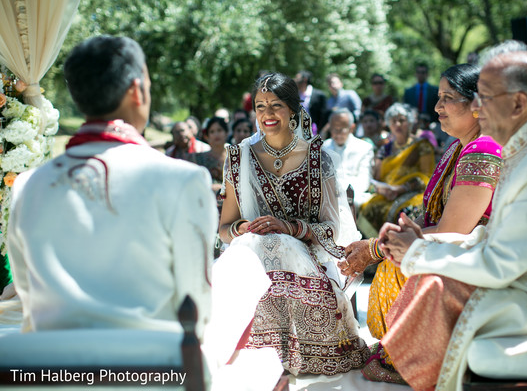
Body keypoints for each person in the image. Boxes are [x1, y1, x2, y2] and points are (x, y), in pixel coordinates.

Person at [378, 40, 527, 391]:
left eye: (484, 97)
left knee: (436, 284)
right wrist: (425, 244)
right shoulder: (526, 151)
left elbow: (501, 263)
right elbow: (497, 238)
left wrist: (419, 251)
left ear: (518, 103)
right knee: (433, 279)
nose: (476, 108)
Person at [7, 35, 217, 344]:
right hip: (152, 372)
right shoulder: (181, 180)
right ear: (136, 90)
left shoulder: (27, 186)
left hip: (54, 371)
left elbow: (29, 297)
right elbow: (197, 307)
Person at [340, 64, 503, 383]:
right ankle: (406, 351)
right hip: (455, 250)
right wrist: (390, 237)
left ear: (476, 105)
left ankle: (417, 359)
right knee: (391, 252)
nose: (437, 107)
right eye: (439, 97)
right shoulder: (458, 148)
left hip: (474, 258)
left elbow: (452, 230)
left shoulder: (483, 149)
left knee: (393, 264)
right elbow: (431, 217)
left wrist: (376, 248)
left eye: (447, 98)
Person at [217, 72, 369, 376]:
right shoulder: (239, 158)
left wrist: (289, 228)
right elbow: (225, 228)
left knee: (281, 244)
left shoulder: (318, 158)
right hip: (253, 253)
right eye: (260, 106)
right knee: (253, 247)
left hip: (306, 259)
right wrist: (247, 230)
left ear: (293, 110)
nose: (267, 114)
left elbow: (331, 230)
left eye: (275, 105)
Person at [357, 103, 435, 239]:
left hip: (414, 193)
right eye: (393, 121)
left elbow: (427, 177)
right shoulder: (384, 149)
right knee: (368, 208)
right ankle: (377, 251)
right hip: (388, 194)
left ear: (410, 122)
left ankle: (400, 249)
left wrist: (400, 189)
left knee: (406, 213)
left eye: (402, 120)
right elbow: (378, 178)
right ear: (388, 125)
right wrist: (383, 189)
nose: (397, 124)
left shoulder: (422, 146)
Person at [322, 108, 374, 209]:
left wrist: (338, 190)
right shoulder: (323, 148)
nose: (337, 133)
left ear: (352, 128)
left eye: (341, 129)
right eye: (334, 129)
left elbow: (364, 182)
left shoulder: (364, 148)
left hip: (354, 196)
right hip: (327, 195)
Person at [194, 117, 228, 195]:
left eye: (219, 130)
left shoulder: (235, 157)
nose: (216, 134)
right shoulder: (199, 159)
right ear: (207, 136)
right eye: (212, 132)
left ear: (226, 133)